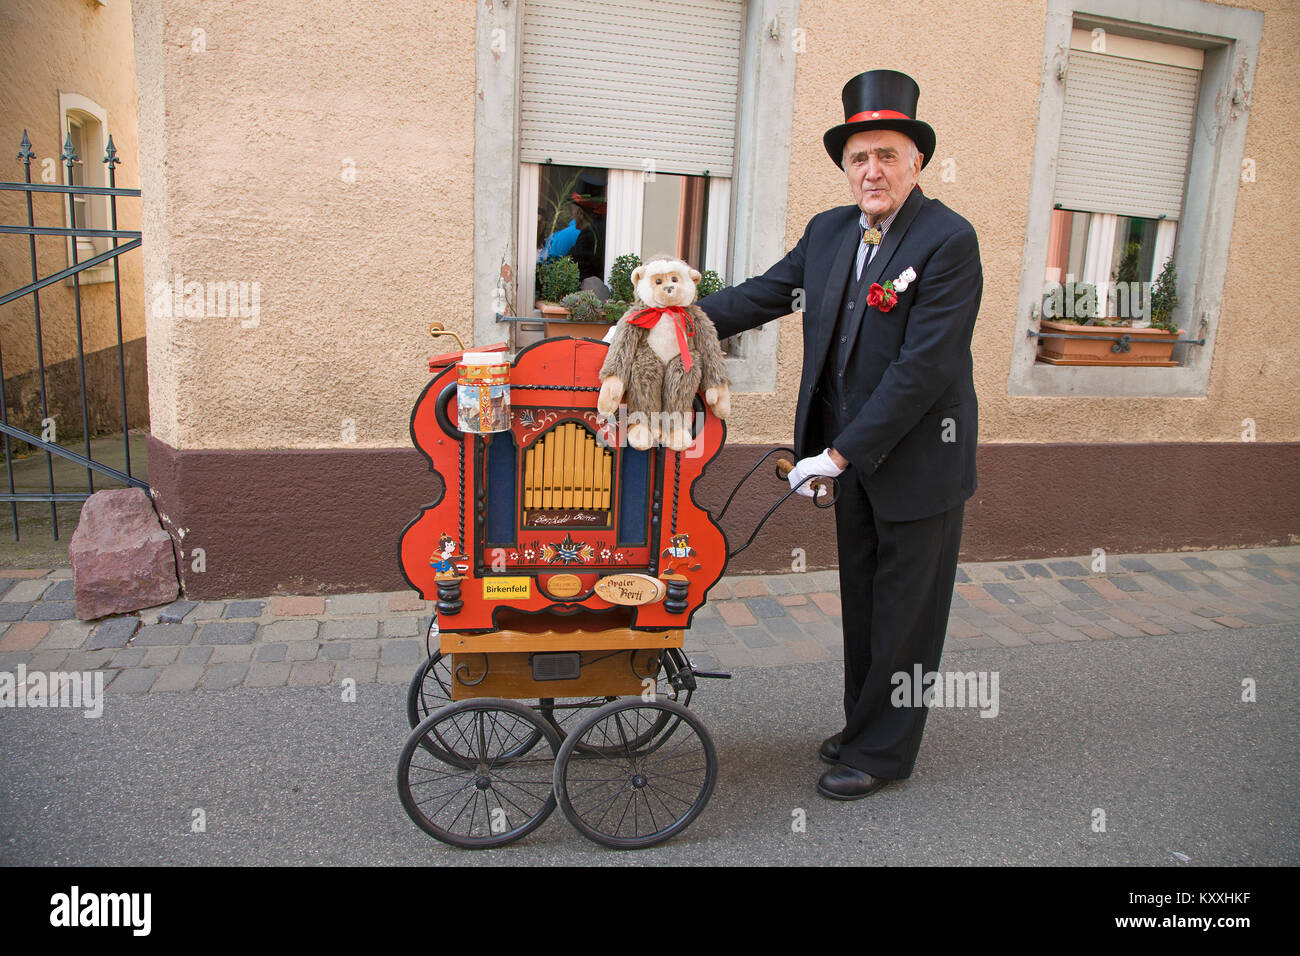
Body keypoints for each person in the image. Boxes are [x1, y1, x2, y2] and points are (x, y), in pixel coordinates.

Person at [698, 70, 982, 800]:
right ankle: (864, 725)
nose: (872, 169)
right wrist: (671, 319)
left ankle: (884, 753)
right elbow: (763, 295)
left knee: (906, 615)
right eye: (860, 157)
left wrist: (840, 451)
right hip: (848, 461)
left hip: (917, 462)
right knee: (863, 600)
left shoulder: (948, 240)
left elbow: (924, 370)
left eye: (887, 154)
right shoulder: (828, 232)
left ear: (915, 161)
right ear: (846, 166)